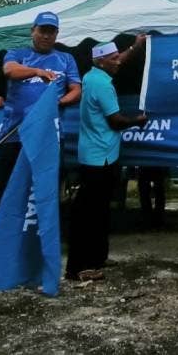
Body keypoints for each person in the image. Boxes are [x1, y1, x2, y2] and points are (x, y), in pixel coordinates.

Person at [65, 40, 148, 281]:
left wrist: (136, 46)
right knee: (90, 213)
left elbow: (120, 59)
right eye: (113, 59)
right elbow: (116, 121)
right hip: (100, 158)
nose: (118, 62)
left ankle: (97, 257)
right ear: (101, 61)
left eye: (117, 57)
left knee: (100, 210)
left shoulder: (91, 76)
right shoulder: (102, 84)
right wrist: (138, 120)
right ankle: (78, 267)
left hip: (95, 154)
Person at [0, 11, 81, 198]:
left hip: (50, 136)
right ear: (32, 31)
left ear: (57, 34)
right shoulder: (17, 53)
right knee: (8, 191)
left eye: (51, 31)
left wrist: (58, 102)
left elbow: (76, 90)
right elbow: (9, 70)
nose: (46, 36)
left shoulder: (66, 58)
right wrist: (36, 71)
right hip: (14, 135)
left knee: (45, 191)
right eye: (42, 30)